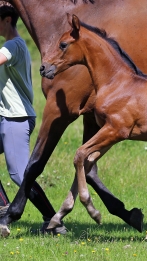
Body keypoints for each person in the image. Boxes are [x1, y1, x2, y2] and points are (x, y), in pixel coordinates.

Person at [0, 2, 66, 234]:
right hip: (6, 117)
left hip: (16, 119)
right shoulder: (11, 46)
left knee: (20, 174)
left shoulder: (14, 45)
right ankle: (2, 208)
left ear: (7, 20)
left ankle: (52, 220)